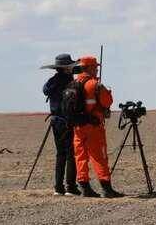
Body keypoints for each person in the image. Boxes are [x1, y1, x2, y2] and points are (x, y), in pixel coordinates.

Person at [73, 55, 123, 198]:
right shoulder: (94, 84)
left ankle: (84, 186)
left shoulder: (75, 83)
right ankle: (106, 188)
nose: (96, 70)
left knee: (80, 156)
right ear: (89, 68)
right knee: (99, 156)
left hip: (78, 126)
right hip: (93, 126)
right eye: (95, 67)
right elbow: (107, 102)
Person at [41, 54, 80, 196]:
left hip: (55, 121)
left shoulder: (52, 81)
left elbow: (45, 90)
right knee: (71, 154)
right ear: (66, 68)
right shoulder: (69, 81)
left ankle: (58, 187)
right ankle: (70, 186)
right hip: (67, 121)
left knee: (60, 154)